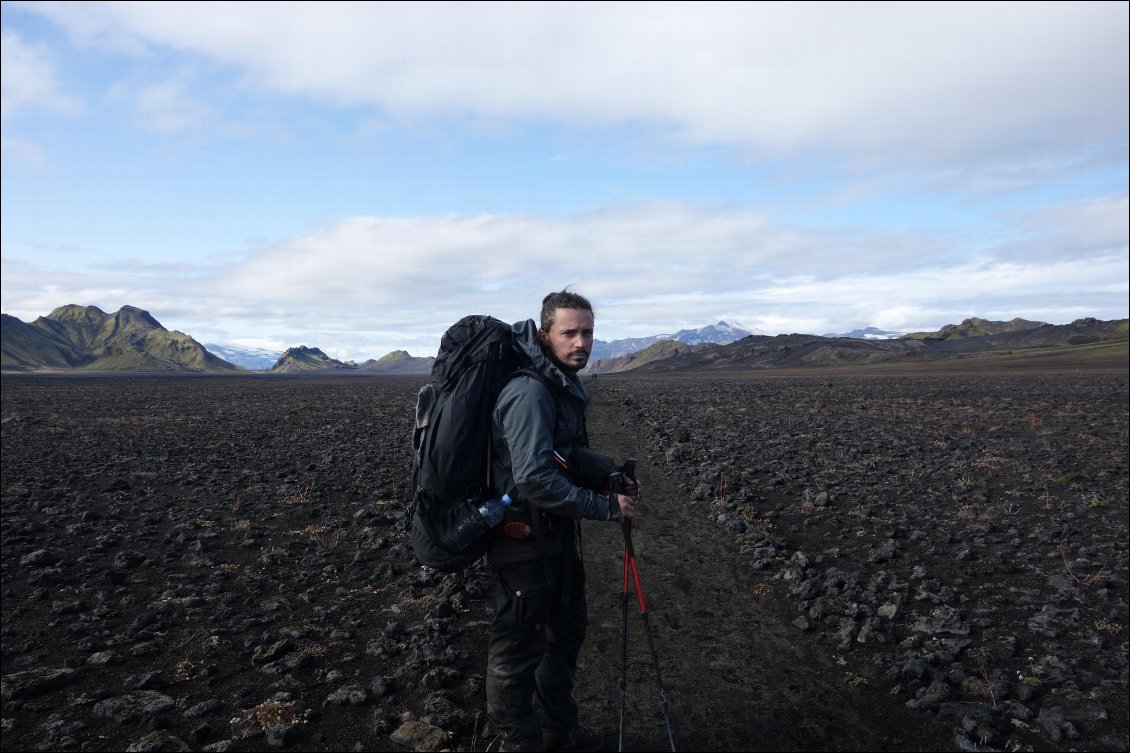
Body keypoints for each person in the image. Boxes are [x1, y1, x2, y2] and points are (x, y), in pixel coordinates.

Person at [486, 289, 638, 752]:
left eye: (587, 331)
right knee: (517, 654)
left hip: (553, 540)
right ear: (545, 333)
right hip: (522, 547)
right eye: (569, 332)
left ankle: (558, 736)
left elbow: (564, 453)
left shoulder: (559, 385)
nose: (581, 342)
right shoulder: (530, 391)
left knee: (565, 635)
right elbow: (534, 478)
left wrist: (606, 472)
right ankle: (521, 745)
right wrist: (606, 508)